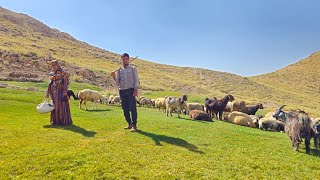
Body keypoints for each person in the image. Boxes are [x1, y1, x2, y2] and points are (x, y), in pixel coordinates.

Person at [111, 53, 139, 132]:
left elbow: (136, 80)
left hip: (131, 90)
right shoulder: (119, 70)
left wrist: (135, 89)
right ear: (121, 60)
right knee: (125, 109)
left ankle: (134, 125)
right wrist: (113, 76)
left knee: (132, 108)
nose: (125, 60)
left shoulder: (133, 69)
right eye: (123, 59)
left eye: (126, 59)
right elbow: (117, 83)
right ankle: (129, 124)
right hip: (122, 91)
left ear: (128, 59)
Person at [46, 60, 73, 125]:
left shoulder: (62, 72)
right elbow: (50, 83)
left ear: (57, 65)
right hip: (53, 90)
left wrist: (65, 90)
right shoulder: (51, 72)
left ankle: (63, 121)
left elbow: (65, 81)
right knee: (54, 105)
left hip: (61, 90)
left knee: (62, 104)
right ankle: (55, 121)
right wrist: (48, 92)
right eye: (52, 65)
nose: (53, 66)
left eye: (54, 65)